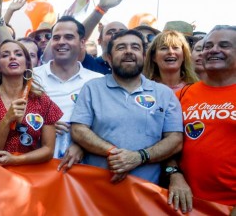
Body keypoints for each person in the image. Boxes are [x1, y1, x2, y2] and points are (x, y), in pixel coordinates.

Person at [70, 29, 183, 184]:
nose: (128, 52)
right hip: (96, 193)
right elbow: (78, 129)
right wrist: (115, 154)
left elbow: (175, 139)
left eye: (135, 47)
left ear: (144, 57)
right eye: (121, 48)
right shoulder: (92, 88)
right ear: (109, 58)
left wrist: (138, 157)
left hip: (147, 194)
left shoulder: (164, 93)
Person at [166, 25, 236, 213]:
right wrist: (175, 175)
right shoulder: (181, 95)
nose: (213, 50)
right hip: (186, 205)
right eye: (208, 46)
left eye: (224, 45)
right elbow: (168, 144)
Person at [0, 40, 62, 166]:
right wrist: (7, 119)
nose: (12, 57)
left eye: (18, 54)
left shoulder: (42, 100)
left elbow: (48, 150)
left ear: (27, 64)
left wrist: (15, 160)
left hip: (29, 176)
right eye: (5, 55)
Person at [33, 16, 102, 165]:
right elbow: (15, 116)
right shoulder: (32, 77)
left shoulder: (98, 81)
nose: (61, 42)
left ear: (82, 42)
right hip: (37, 163)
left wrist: (82, 145)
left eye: (69, 37)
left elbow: (106, 123)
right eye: (56, 38)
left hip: (82, 166)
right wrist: (42, 124)